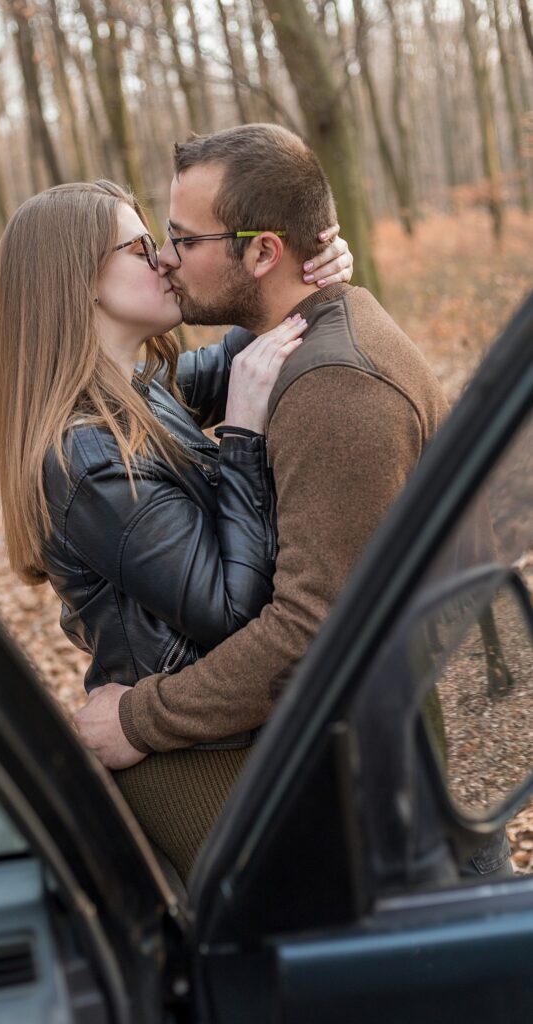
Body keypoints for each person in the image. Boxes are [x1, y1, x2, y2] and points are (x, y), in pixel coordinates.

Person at [74, 124, 452, 879]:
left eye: (183, 240)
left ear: (261, 253)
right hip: (335, 739)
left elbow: (312, 629)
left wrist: (140, 719)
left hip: (379, 774)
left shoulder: (337, 389)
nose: (167, 259)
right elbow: (162, 398)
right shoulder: (292, 344)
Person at [0, 175, 352, 880]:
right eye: (139, 248)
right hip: (197, 765)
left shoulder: (137, 389)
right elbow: (231, 612)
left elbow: (237, 357)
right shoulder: (87, 456)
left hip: (226, 733)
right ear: (79, 280)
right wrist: (241, 436)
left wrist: (301, 278)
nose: (163, 258)